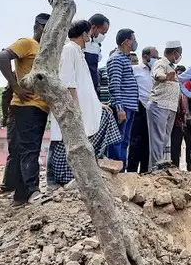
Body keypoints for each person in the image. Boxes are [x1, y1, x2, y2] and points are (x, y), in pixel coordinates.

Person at [48, 20, 121, 186]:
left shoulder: (78, 51)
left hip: (86, 108)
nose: (91, 36)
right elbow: (69, 81)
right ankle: (65, 179)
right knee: (67, 142)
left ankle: (89, 167)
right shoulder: (69, 49)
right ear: (83, 34)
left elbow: (85, 84)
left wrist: (96, 105)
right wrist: (74, 107)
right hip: (74, 108)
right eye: (88, 33)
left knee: (106, 116)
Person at [0, 13, 51, 205]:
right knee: (30, 150)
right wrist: (16, 87)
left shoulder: (47, 49)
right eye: (44, 27)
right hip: (26, 105)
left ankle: (20, 196)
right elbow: (2, 56)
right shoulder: (27, 43)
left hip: (40, 107)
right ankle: (32, 190)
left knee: (25, 150)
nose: (47, 31)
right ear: (36, 26)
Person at [107, 29, 139, 170]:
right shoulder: (116, 59)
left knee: (124, 140)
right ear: (127, 42)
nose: (135, 42)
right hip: (122, 106)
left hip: (130, 106)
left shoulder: (125, 58)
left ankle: (122, 170)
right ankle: (115, 170)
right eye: (133, 39)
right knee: (117, 140)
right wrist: (119, 108)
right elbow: (114, 85)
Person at [147, 41, 183, 171]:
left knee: (164, 138)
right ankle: (155, 168)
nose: (180, 56)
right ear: (174, 52)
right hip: (159, 105)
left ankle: (160, 166)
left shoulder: (171, 66)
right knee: (157, 139)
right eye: (180, 53)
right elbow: (158, 75)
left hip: (169, 107)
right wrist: (165, 77)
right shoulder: (161, 63)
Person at [128, 46, 159, 173]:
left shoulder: (156, 72)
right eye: (154, 57)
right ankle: (131, 172)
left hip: (153, 109)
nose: (156, 59)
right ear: (145, 57)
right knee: (136, 142)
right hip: (138, 108)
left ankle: (146, 172)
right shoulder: (135, 70)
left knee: (149, 143)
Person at [84, 13, 110, 98]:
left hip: (92, 89)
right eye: (102, 33)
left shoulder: (96, 46)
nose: (103, 36)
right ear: (93, 28)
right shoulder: (78, 42)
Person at [170, 65, 191, 169]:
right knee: (175, 147)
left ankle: (190, 167)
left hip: (189, 123)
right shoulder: (172, 89)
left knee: (190, 146)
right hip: (176, 123)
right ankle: (175, 168)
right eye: (178, 74)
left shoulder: (190, 87)